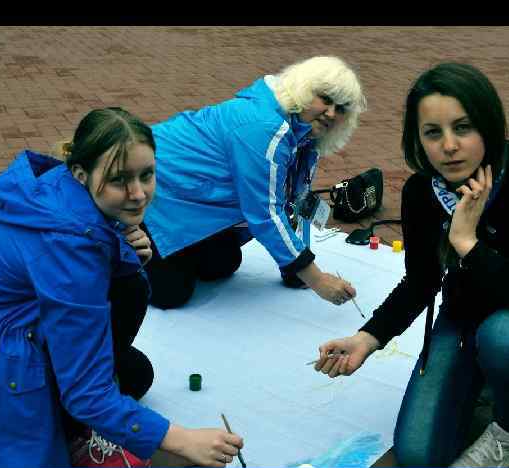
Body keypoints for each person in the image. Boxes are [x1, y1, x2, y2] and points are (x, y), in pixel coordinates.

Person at [0, 107, 243, 468]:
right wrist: (182, 440)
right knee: (104, 395)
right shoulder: (69, 243)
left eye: (147, 175)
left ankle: (58, 423)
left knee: (134, 371)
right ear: (81, 173)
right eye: (119, 180)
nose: (139, 193)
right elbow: (86, 394)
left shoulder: (61, 192)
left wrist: (122, 255)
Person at [314, 63, 509, 468]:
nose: (449, 146)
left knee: (504, 339)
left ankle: (508, 431)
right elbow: (421, 282)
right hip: (463, 322)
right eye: (433, 132)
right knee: (417, 455)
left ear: (488, 126)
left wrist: (469, 245)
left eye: (463, 127)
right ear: (418, 139)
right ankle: (484, 374)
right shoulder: (423, 191)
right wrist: (367, 338)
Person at [142, 55, 367, 309]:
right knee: (171, 294)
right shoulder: (266, 128)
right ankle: (121, 241)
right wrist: (317, 279)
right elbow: (265, 212)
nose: (331, 113)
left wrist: (295, 268)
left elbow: (292, 201)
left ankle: (168, 251)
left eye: (341, 108)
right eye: (325, 99)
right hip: (152, 194)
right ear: (304, 89)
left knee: (224, 262)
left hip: (189, 198)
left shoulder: (303, 134)